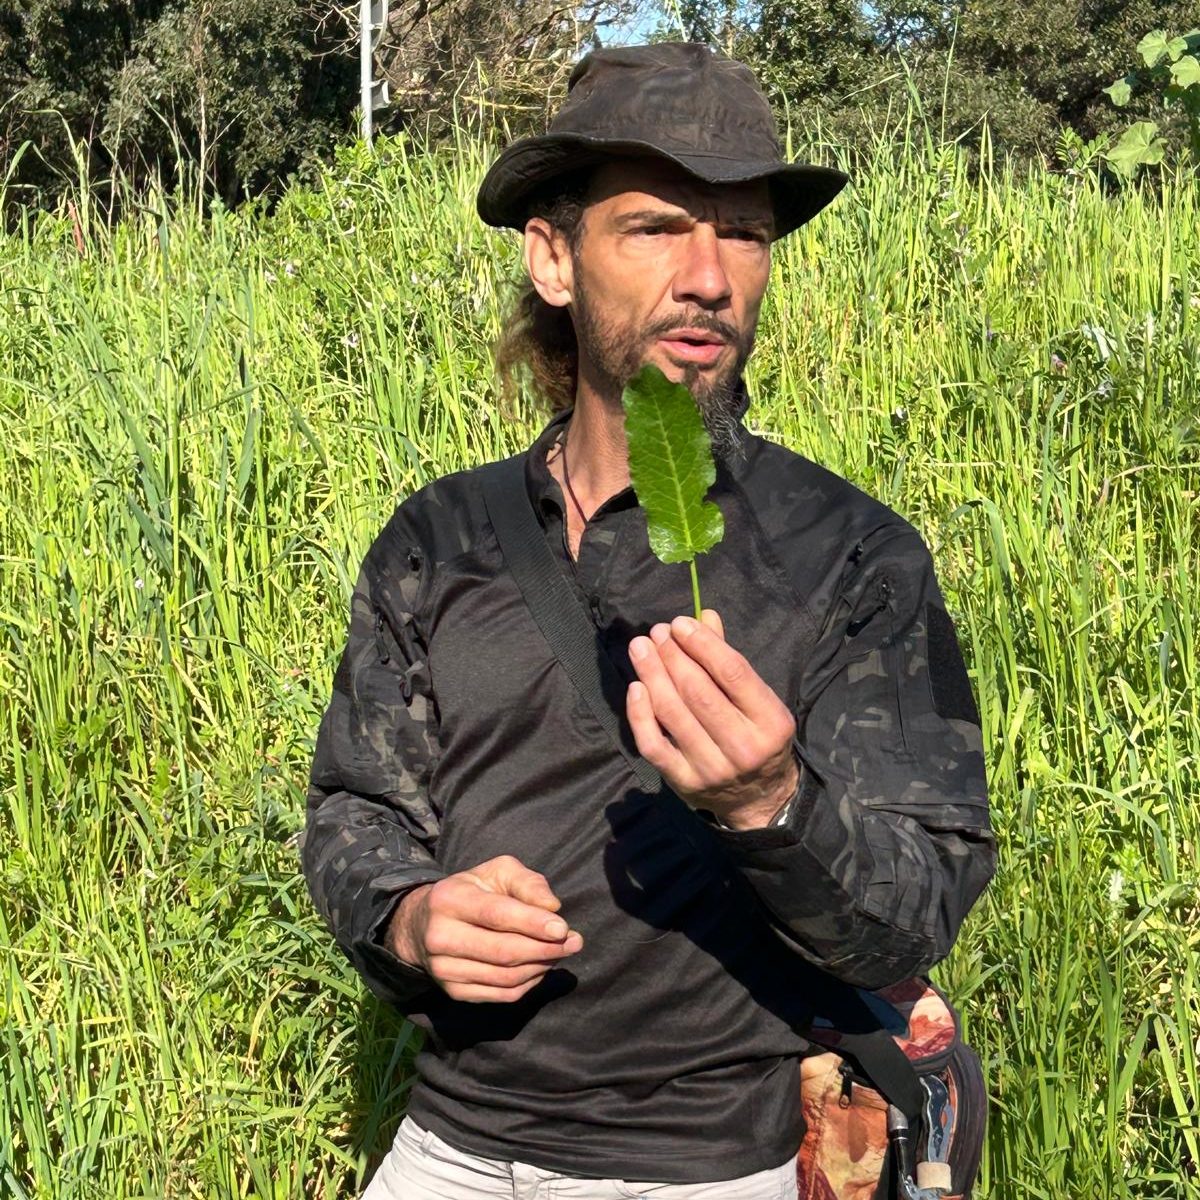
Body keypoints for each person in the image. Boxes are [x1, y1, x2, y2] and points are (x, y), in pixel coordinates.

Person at [301, 41, 995, 1200]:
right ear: (554, 258)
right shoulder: (441, 536)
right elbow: (354, 816)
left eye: (745, 233)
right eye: (657, 227)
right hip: (446, 1151)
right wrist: (413, 919)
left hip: (705, 1167)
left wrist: (773, 805)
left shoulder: (851, 557)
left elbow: (916, 914)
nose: (710, 275)